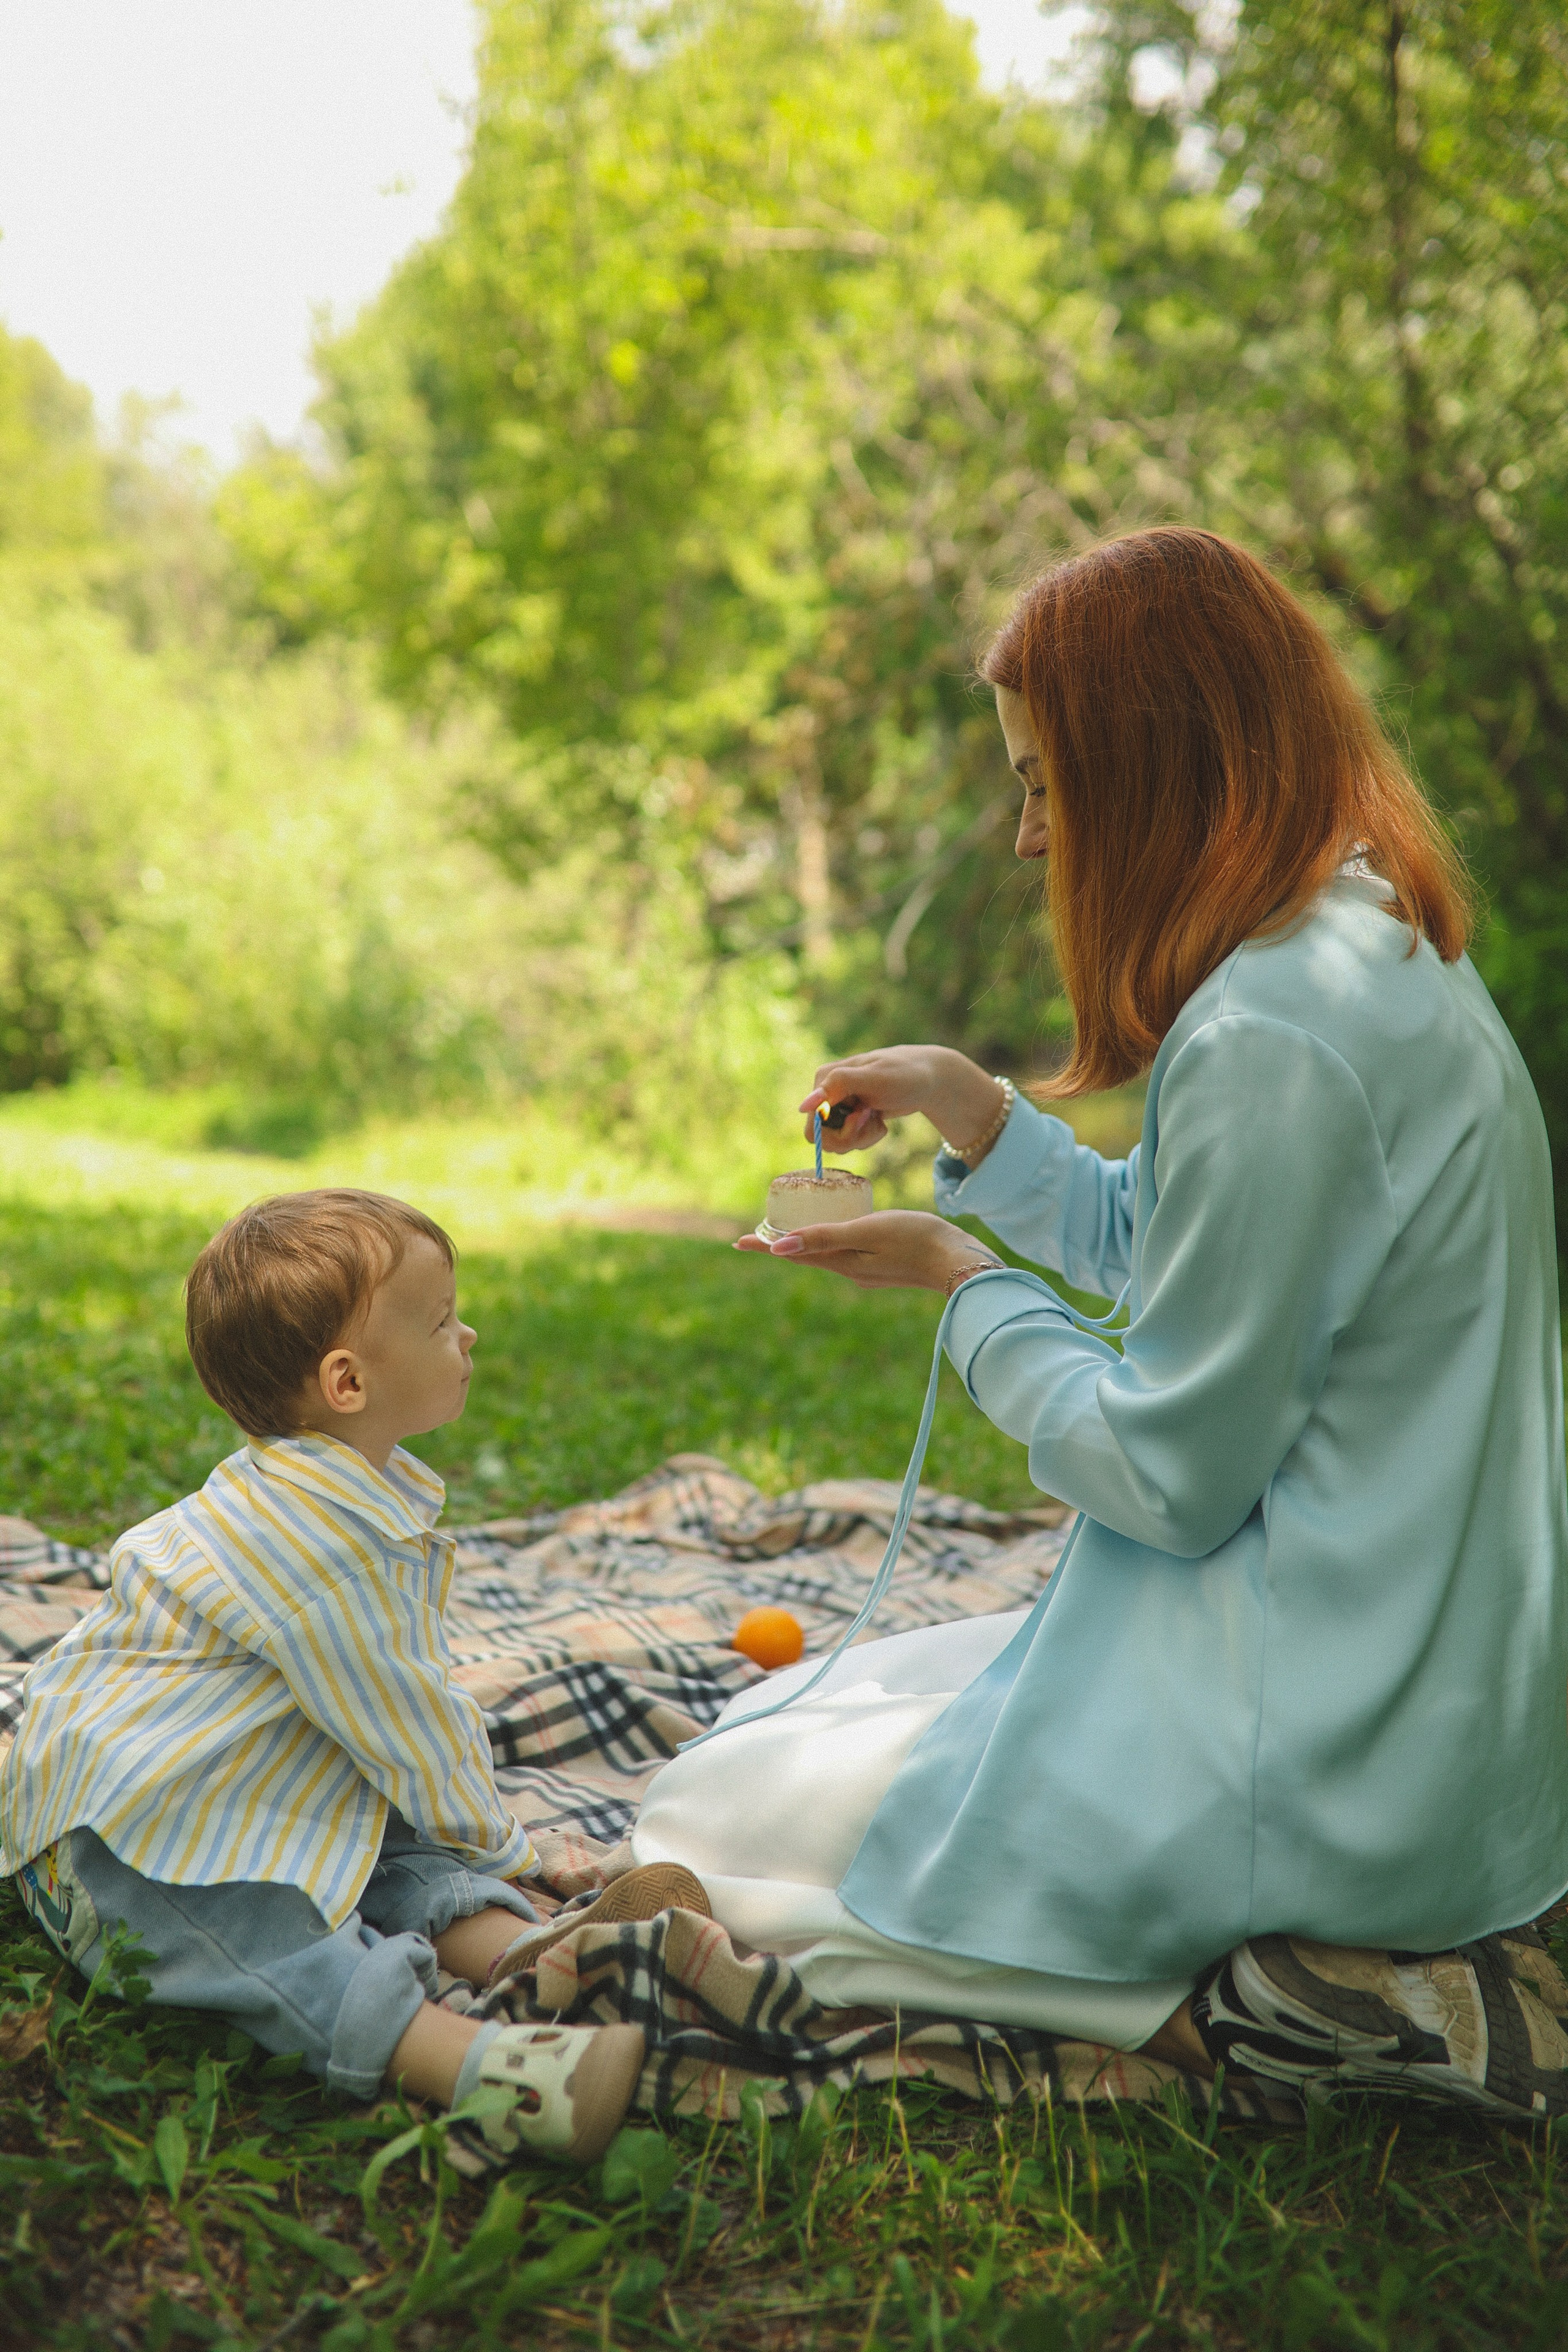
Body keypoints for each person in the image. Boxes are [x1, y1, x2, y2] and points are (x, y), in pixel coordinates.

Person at [634, 527, 1568, 2114]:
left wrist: (967, 1291)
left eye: (1045, 787)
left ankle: (1296, 1997)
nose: (1026, 840)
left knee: (700, 1821)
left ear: (1157, 770)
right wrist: (979, 1116)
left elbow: (1169, 1473)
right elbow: (1198, 1263)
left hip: (1330, 1738)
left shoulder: (1277, 1028)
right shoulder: (1375, 946)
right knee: (800, 1708)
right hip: (1432, 1698)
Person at [0, 1188, 657, 2166]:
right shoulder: (324, 1556)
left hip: (231, 1783)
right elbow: (411, 1728)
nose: (467, 1333)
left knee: (376, 1828)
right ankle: (487, 2070)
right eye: (441, 1323)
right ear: (347, 1384)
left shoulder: (331, 1492)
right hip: (120, 1843)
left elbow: (380, 1761)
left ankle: (519, 1953)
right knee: (271, 1938)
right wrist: (512, 1844)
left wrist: (466, 1844)